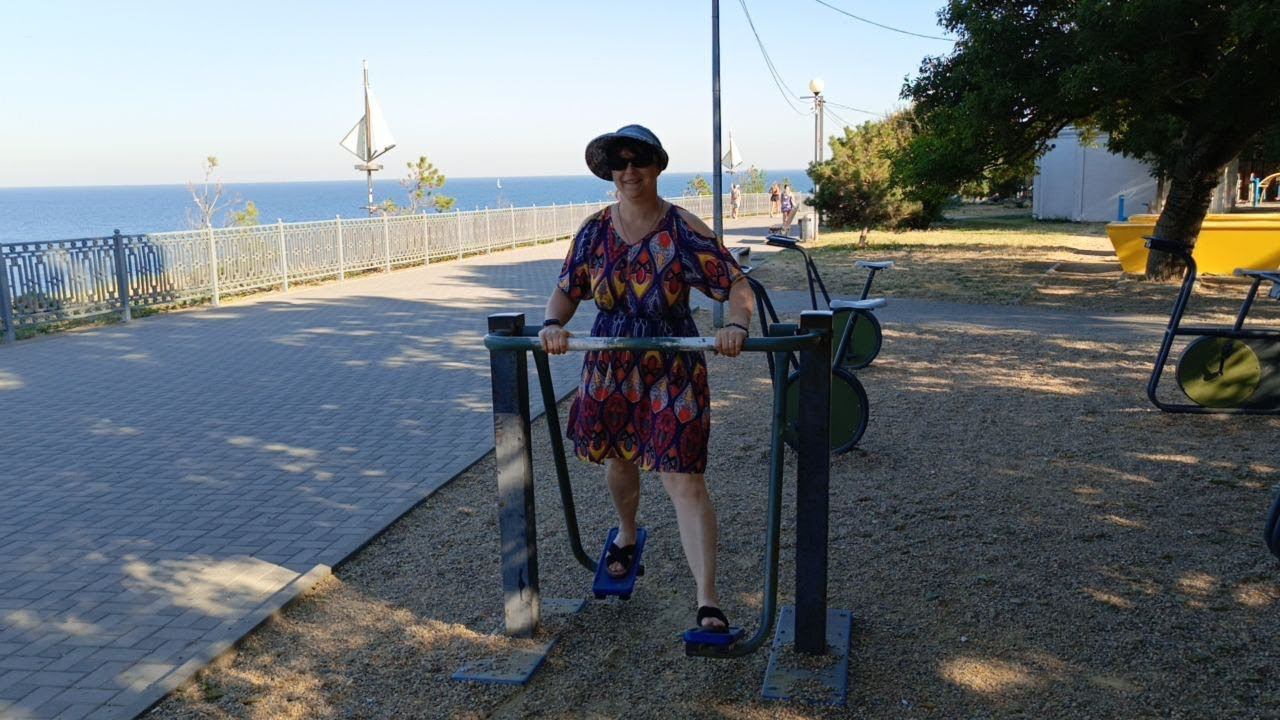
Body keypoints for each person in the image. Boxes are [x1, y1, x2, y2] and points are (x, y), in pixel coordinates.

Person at [539, 124, 754, 634]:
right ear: (610, 172)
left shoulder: (682, 228)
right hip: (610, 362)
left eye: (639, 161)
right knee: (619, 459)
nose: (630, 171)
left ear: (657, 166)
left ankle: (707, 600)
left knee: (684, 475)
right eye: (620, 163)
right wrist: (552, 324)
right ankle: (627, 532)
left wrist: (736, 325)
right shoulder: (594, 230)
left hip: (671, 364)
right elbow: (567, 289)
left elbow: (736, 284)